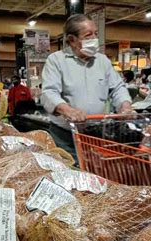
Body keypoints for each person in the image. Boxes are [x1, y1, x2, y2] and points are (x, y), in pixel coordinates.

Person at [41, 14, 132, 158]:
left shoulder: (103, 61)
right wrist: (68, 110)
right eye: (88, 35)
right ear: (72, 40)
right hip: (65, 137)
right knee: (70, 172)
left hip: (96, 135)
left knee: (95, 173)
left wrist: (125, 106)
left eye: (96, 34)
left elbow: (117, 88)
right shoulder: (56, 60)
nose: (95, 39)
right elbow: (49, 93)